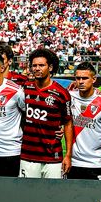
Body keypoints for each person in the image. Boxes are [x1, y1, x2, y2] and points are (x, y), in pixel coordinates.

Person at [20, 48, 72, 179]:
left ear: (50, 67)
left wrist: (68, 156)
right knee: (28, 196)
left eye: (41, 65)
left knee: (52, 196)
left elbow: (68, 123)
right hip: (28, 155)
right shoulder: (25, 89)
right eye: (34, 65)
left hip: (52, 156)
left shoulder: (62, 93)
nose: (37, 68)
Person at [67, 62, 101, 179]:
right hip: (73, 161)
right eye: (78, 78)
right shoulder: (68, 96)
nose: (81, 81)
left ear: (94, 79)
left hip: (95, 161)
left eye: (85, 78)